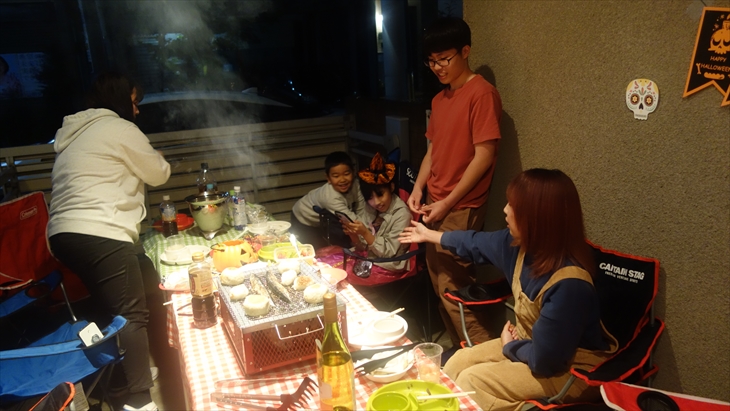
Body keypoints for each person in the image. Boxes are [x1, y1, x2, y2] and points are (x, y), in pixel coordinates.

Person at [399, 168, 619, 411]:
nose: (505, 210)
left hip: (570, 369)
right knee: (457, 362)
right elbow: (473, 242)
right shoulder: (518, 245)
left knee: (472, 381)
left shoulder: (569, 285)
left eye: (513, 206)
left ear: (538, 219)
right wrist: (428, 234)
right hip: (531, 344)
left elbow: (545, 361)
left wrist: (509, 347)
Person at [47, 71, 170, 411]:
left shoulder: (74, 134)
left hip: (63, 235)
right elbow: (158, 173)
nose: (137, 109)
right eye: (134, 102)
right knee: (132, 313)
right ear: (120, 100)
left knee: (121, 298)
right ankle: (139, 400)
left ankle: (124, 377)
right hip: (99, 231)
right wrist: (157, 156)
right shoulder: (119, 129)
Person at [407, 17, 502, 345]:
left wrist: (447, 202)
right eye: (431, 61)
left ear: (466, 51)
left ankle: (483, 356)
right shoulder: (439, 100)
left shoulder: (482, 94)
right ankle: (462, 356)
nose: (437, 67)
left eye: (444, 59)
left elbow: (484, 156)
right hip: (435, 202)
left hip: (460, 206)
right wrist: (418, 188)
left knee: (454, 288)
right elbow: (433, 151)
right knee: (438, 284)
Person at [318, 153, 412, 291]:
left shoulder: (402, 215)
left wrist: (365, 233)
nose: (376, 202)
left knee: (337, 276)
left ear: (391, 187)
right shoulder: (370, 207)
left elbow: (388, 253)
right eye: (370, 198)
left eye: (380, 194)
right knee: (323, 264)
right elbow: (362, 247)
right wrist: (354, 236)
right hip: (368, 256)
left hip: (386, 263)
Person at [290, 151, 368, 249]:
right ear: (328, 178)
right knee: (313, 250)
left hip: (322, 218)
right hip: (302, 218)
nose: (342, 179)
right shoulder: (330, 197)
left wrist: (368, 228)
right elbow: (351, 220)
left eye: (346, 174)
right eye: (336, 176)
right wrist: (369, 234)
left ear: (353, 172)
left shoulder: (356, 185)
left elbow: (361, 208)